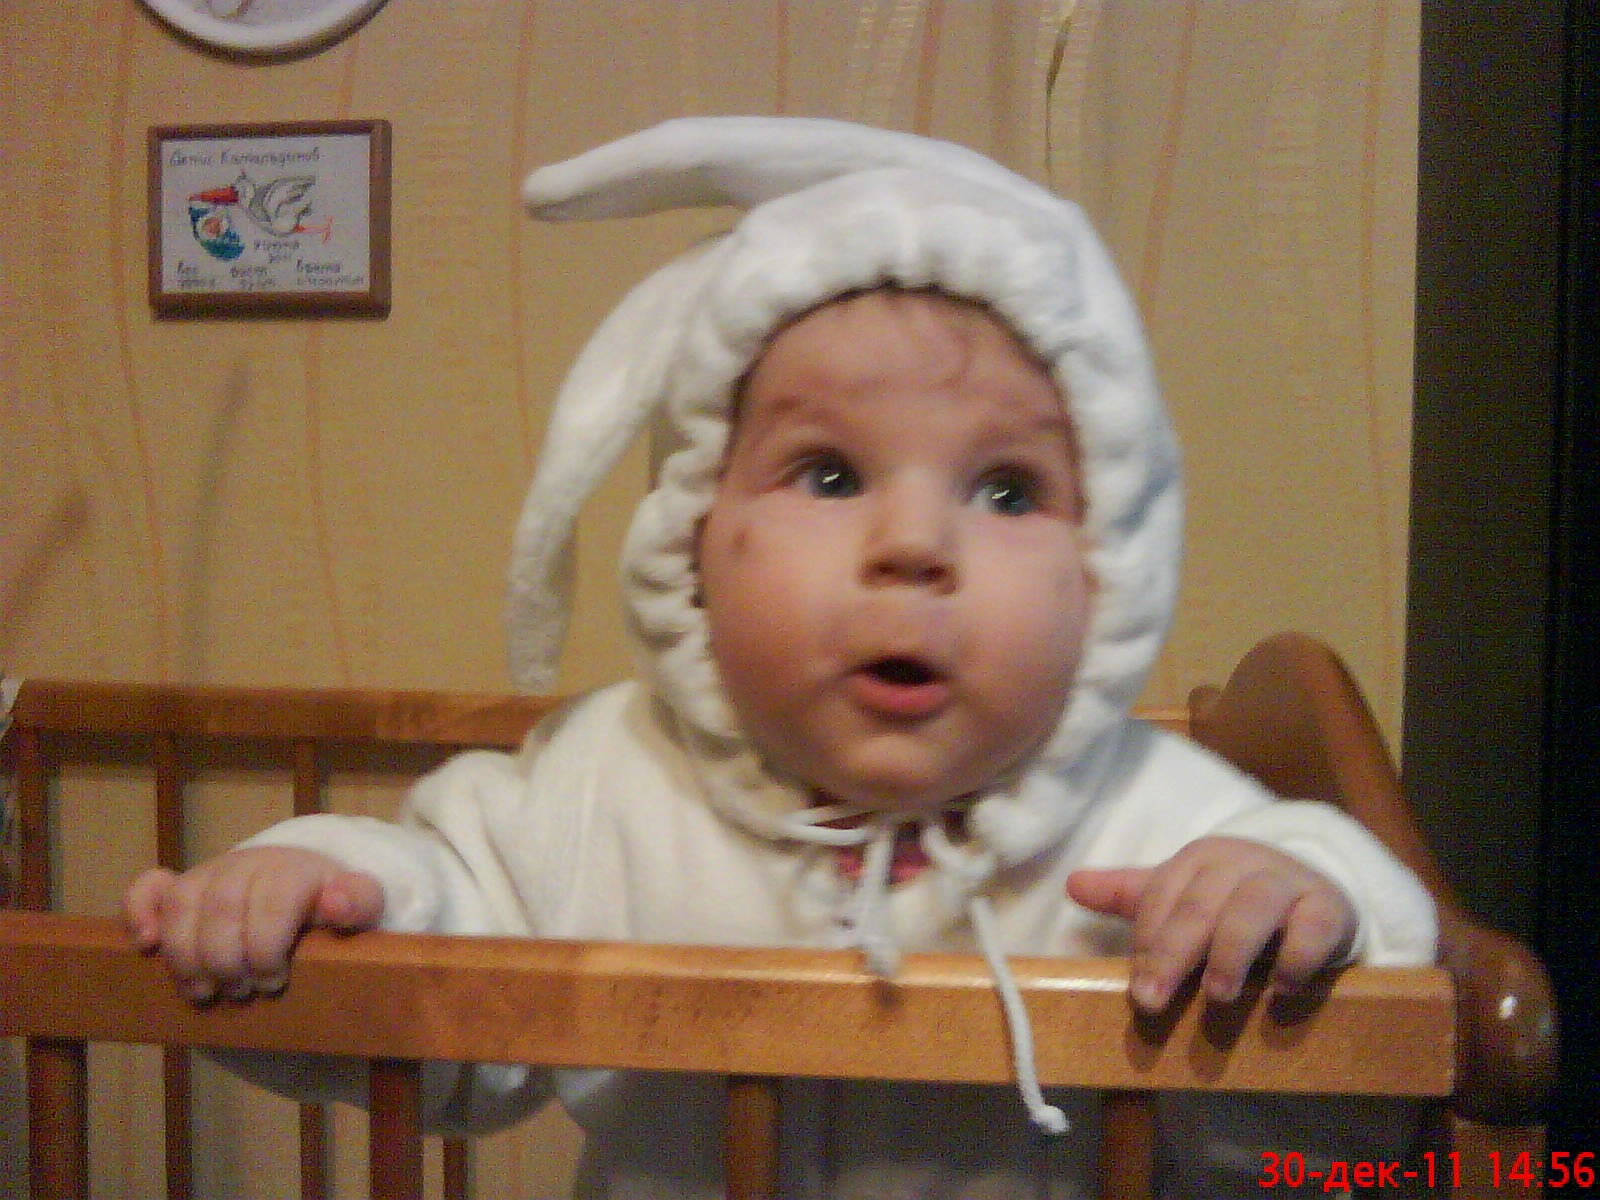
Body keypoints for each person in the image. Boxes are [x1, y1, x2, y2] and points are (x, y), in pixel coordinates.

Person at [124, 117, 1436, 1197]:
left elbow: (1362, 1076)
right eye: (829, 473)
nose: (913, 544)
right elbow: (449, 950)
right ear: (693, 535)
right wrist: (314, 889)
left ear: (1111, 569)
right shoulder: (605, 782)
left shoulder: (1154, 820)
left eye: (1008, 490)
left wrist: (1304, 904)